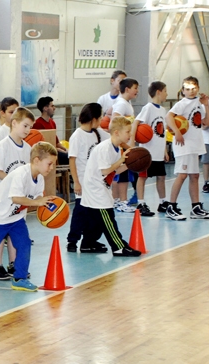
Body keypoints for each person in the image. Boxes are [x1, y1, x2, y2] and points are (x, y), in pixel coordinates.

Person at [0, 142, 58, 292]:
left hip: (15, 218)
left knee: (25, 244)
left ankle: (19, 278)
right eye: (50, 164)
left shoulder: (39, 178)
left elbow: (39, 196)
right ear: (36, 160)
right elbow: (16, 198)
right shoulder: (20, 174)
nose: (51, 168)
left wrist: (47, 204)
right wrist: (37, 201)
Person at [79, 116, 142, 257]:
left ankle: (87, 244)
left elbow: (114, 170)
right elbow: (105, 170)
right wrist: (121, 160)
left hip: (100, 185)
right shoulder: (105, 148)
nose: (130, 135)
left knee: (96, 220)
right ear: (117, 132)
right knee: (108, 217)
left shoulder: (115, 148)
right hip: (95, 187)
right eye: (127, 132)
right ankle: (118, 247)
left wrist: (130, 164)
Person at [0, 107, 34, 279]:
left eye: (30, 127)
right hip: (1, 198)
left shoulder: (28, 148)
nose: (28, 130)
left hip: (18, 199)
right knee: (0, 233)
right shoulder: (3, 145)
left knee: (15, 231)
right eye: (25, 126)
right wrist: (13, 182)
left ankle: (13, 264)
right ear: (14, 123)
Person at [165, 76, 209, 221]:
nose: (191, 91)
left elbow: (208, 122)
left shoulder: (199, 103)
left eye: (193, 88)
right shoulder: (183, 103)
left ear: (198, 88)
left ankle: (196, 208)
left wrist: (206, 105)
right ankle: (171, 206)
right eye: (187, 89)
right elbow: (169, 117)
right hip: (183, 143)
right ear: (183, 90)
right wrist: (177, 131)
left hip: (195, 144)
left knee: (194, 175)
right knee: (182, 175)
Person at [67, 103, 106, 252]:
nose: (102, 119)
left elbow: (115, 138)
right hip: (83, 181)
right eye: (100, 116)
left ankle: (89, 241)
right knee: (80, 213)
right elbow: (72, 160)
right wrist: (76, 182)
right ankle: (72, 241)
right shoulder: (77, 136)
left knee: (95, 214)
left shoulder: (98, 133)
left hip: (96, 182)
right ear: (94, 118)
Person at [130, 81, 169, 217]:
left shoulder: (163, 110)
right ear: (158, 92)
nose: (167, 94)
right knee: (143, 178)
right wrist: (133, 142)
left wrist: (164, 151)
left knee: (162, 177)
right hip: (147, 153)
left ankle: (162, 202)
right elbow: (136, 123)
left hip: (158, 151)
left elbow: (162, 132)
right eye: (165, 91)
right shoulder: (148, 108)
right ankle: (141, 203)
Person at [110, 78, 139, 212]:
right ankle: (121, 202)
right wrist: (125, 145)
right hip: (122, 145)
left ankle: (117, 201)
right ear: (127, 89)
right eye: (135, 88)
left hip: (125, 143)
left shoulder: (126, 103)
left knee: (122, 174)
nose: (137, 91)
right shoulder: (121, 104)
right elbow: (113, 122)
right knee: (121, 175)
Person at [34, 96, 68, 164]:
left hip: (54, 150)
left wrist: (66, 149)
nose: (54, 108)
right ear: (45, 108)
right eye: (52, 106)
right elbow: (41, 146)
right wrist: (59, 150)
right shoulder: (38, 124)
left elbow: (57, 142)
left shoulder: (52, 122)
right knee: (67, 157)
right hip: (46, 152)